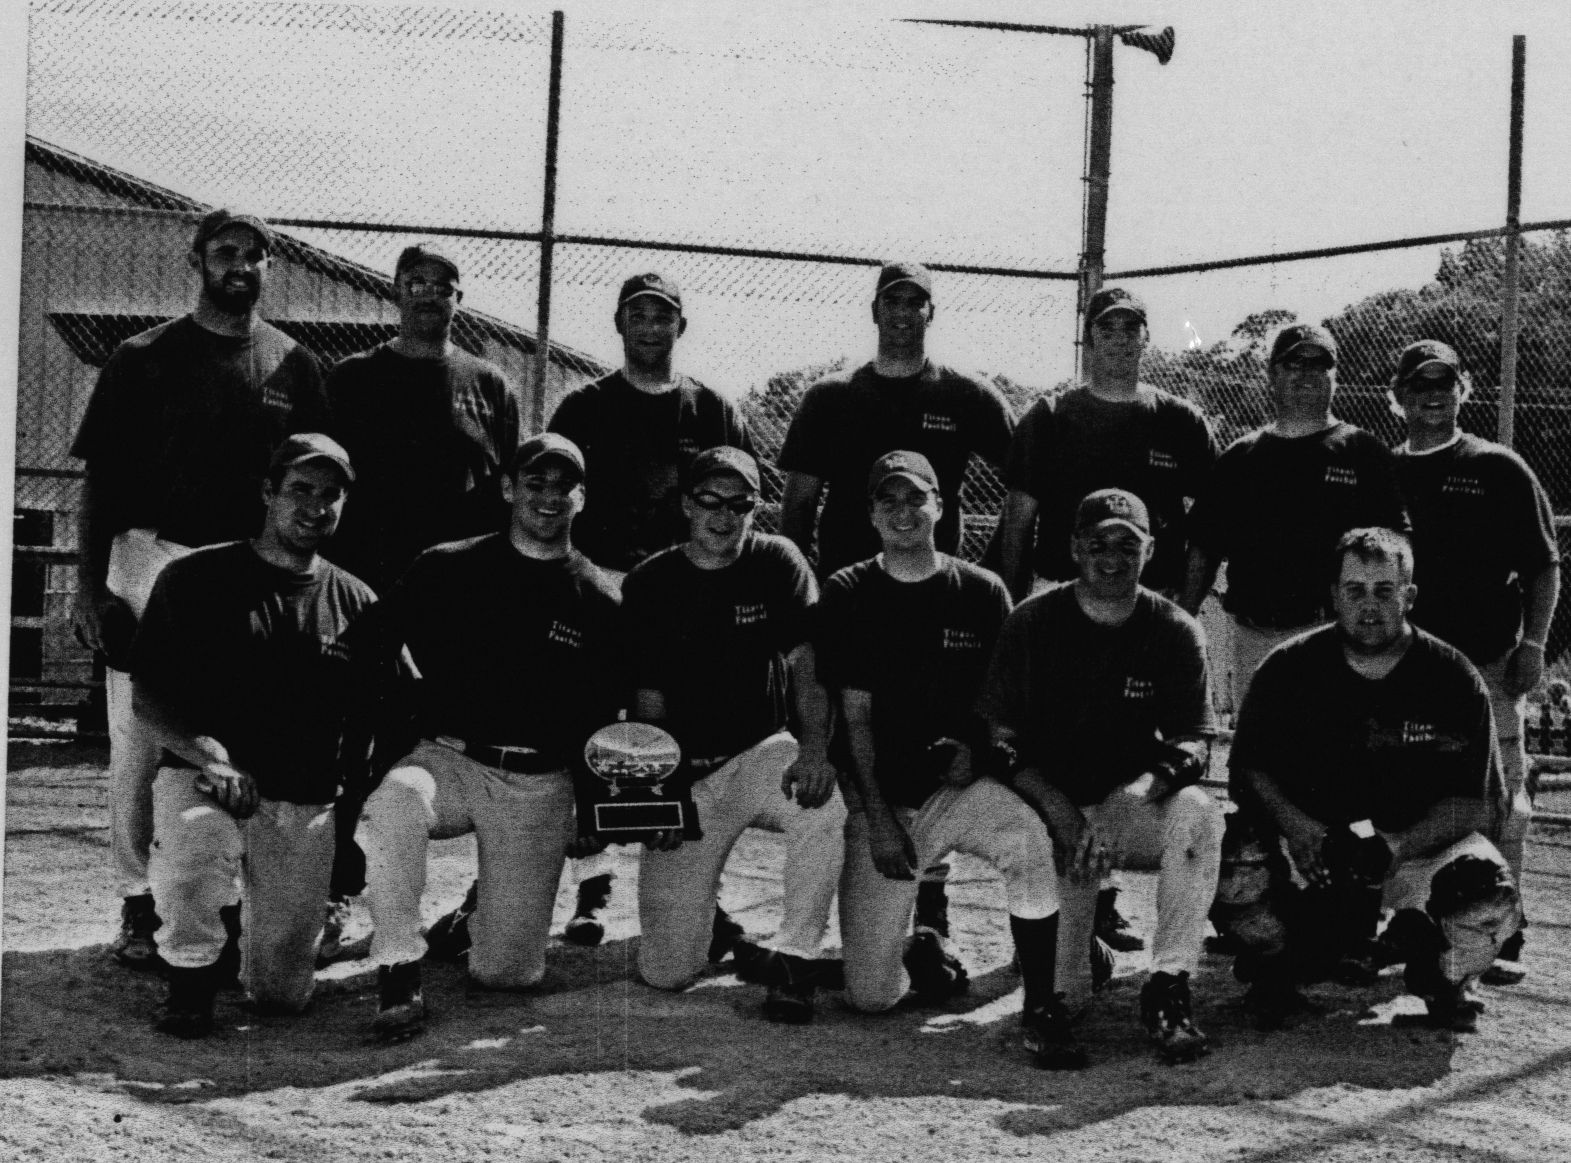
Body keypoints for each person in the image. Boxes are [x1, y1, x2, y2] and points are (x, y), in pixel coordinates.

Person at [70, 209, 329, 970]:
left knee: (235, 733)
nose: (239, 265)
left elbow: (311, 487)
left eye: (254, 255)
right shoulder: (142, 355)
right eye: (224, 252)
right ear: (197, 260)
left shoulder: (293, 364)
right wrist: (91, 587)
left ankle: (225, 899)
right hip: (152, 557)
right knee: (140, 738)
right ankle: (136, 901)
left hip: (244, 567)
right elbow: (100, 480)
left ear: (269, 267)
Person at [812, 451, 1085, 1069]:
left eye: (917, 498)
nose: (904, 512)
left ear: (940, 505)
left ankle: (1042, 1003)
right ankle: (914, 949)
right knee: (870, 997)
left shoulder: (982, 590)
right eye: (889, 500)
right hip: (886, 802)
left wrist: (980, 753)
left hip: (958, 790)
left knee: (1028, 842)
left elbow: (1003, 707)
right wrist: (877, 816)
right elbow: (852, 720)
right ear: (871, 514)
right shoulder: (850, 589)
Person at [777, 260, 1016, 963]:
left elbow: (1022, 485)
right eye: (893, 302)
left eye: (917, 302)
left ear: (931, 312)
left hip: (935, 601)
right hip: (855, 606)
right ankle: (833, 920)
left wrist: (994, 569)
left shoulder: (966, 394)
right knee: (850, 753)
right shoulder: (833, 397)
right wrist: (803, 608)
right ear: (874, 310)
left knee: (934, 753)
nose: (904, 314)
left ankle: (929, 913)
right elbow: (796, 504)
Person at [358, 434, 622, 1038]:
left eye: (564, 486)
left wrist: (590, 801)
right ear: (508, 487)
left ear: (583, 498)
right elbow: (374, 642)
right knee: (397, 799)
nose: (549, 497)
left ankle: (475, 917)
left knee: (508, 974)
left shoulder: (602, 596)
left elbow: (603, 712)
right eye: (535, 483)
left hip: (538, 779)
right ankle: (398, 965)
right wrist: (398, 722)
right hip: (448, 758)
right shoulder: (446, 564)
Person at [1225, 527, 1517, 1033]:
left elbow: (1479, 803)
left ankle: (1440, 976)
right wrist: (1296, 827)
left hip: (1409, 853)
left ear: (1410, 596)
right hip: (1313, 854)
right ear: (1334, 594)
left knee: (1485, 890)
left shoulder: (1452, 675)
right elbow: (1248, 768)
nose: (1369, 605)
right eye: (1355, 590)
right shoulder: (1289, 667)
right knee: (1234, 851)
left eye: (1385, 591)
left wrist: (1401, 845)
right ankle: (1277, 970)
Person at [997, 286, 1217, 954]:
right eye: (1107, 327)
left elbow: (1209, 521)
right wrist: (1013, 608)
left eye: (1132, 328)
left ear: (1146, 338)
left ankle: (1104, 896)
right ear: (1088, 338)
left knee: (1132, 744)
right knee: (1058, 744)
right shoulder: (1051, 414)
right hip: (1061, 600)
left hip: (1145, 610)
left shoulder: (1176, 418)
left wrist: (1183, 606)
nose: (1120, 339)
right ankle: (1065, 899)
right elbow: (1018, 519)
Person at [129, 434, 373, 1037]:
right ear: (268, 493)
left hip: (305, 795)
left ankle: (256, 933)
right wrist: (208, 756)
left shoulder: (357, 599)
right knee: (191, 851)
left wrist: (348, 821)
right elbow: (149, 696)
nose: (316, 507)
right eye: (300, 490)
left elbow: (379, 716)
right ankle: (189, 979)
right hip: (208, 780)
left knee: (281, 996)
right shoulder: (195, 577)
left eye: (331, 495)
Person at [321, 241, 521, 958]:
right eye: (417, 282)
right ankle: (338, 892)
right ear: (396, 291)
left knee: (461, 749)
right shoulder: (352, 378)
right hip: (371, 598)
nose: (431, 294)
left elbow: (507, 500)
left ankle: (476, 906)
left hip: (458, 606)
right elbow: (326, 490)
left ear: (459, 298)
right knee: (354, 751)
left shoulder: (488, 383)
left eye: (446, 284)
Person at [978, 488, 1223, 1064]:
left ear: (1151, 549)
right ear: (1072, 548)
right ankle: (1083, 958)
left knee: (1199, 815)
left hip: (1128, 813)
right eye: (1097, 544)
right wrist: (1059, 811)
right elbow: (998, 742)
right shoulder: (1032, 621)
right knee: (1068, 999)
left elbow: (1195, 744)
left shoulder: (1175, 627)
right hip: (1057, 819)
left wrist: (1134, 794)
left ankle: (1167, 984)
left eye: (1127, 544)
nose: (1111, 559)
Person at [544, 271, 753, 943]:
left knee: (679, 729)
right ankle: (593, 885)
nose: (650, 326)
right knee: (598, 725)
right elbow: (553, 501)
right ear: (619, 323)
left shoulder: (712, 408)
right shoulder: (583, 406)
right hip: (602, 583)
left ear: (679, 327)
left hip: (685, 589)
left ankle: (700, 890)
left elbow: (741, 499)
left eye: (662, 315)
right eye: (638, 313)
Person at [622, 447, 846, 1022]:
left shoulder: (777, 559)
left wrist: (816, 750)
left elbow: (807, 664)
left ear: (756, 508)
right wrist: (657, 797)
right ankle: (714, 927)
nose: (724, 516)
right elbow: (648, 702)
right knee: (666, 972)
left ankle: (794, 957)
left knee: (821, 804)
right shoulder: (652, 580)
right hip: (688, 769)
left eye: (740, 504)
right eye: (710, 502)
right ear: (686, 505)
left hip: (759, 749)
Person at [1389, 339, 1559, 984]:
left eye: (1445, 381)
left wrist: (1534, 644)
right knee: (1413, 799)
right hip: (1404, 670)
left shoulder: (1499, 467)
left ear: (1463, 390)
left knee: (1502, 799)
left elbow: (1544, 563)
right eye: (1419, 382)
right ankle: (1418, 924)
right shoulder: (1383, 470)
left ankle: (1502, 930)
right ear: (1399, 394)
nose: (1433, 393)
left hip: (1486, 664)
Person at [1181, 323, 1409, 710]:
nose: (1306, 374)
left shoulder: (1362, 452)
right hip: (1253, 636)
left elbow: (1398, 551)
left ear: (1335, 376)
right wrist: (1184, 622)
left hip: (1335, 635)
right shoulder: (1241, 458)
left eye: (1318, 365)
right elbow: (1204, 550)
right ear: (1271, 374)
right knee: (1260, 758)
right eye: (1293, 364)